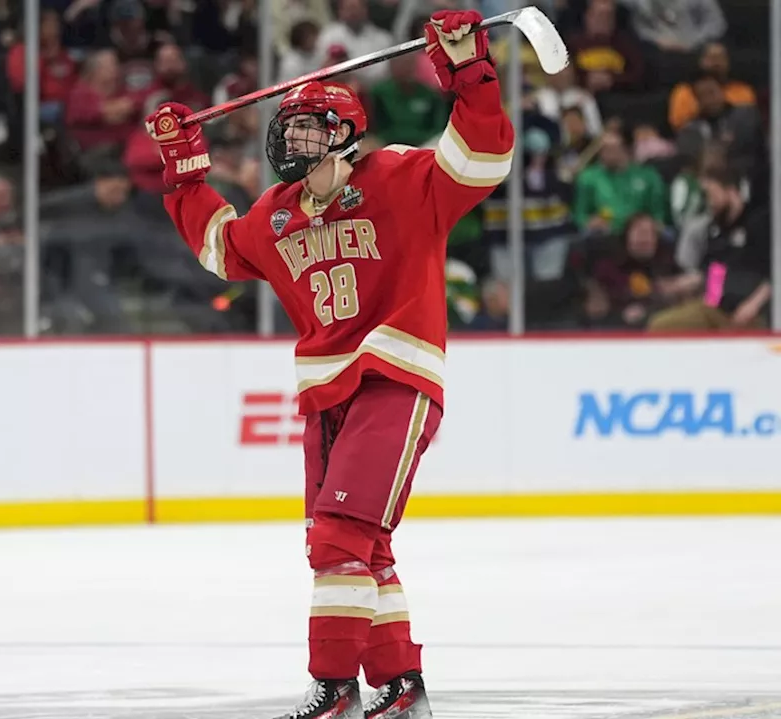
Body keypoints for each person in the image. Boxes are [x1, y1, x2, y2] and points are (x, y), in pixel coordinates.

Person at [145, 10, 513, 719]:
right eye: (288, 127)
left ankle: (335, 686)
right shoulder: (278, 213)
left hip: (395, 381)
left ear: (346, 134)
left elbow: (480, 158)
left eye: (310, 125)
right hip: (325, 397)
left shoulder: (401, 175)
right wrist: (184, 169)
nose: (293, 138)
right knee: (360, 547)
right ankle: (402, 688)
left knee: (339, 536)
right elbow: (220, 247)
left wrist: (467, 72)